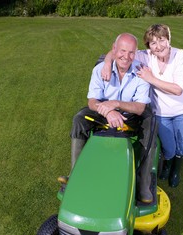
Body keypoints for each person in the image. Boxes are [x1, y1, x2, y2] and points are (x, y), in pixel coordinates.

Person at [59, 33, 157, 203]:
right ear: (114, 49)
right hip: (103, 113)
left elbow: (140, 107)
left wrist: (116, 104)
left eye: (131, 53)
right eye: (122, 51)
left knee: (151, 124)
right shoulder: (100, 70)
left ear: (135, 53)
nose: (126, 57)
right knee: (79, 119)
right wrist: (109, 111)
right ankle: (75, 174)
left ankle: (143, 183)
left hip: (131, 115)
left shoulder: (141, 71)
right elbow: (92, 101)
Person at [101, 24, 183, 188]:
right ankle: (167, 164)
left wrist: (150, 78)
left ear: (168, 39)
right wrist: (107, 62)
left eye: (161, 40)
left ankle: (175, 170)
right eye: (153, 43)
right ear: (148, 46)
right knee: (169, 147)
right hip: (161, 113)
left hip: (182, 111)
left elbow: (178, 90)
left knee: (182, 145)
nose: (158, 47)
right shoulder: (146, 56)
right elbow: (119, 52)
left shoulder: (180, 55)